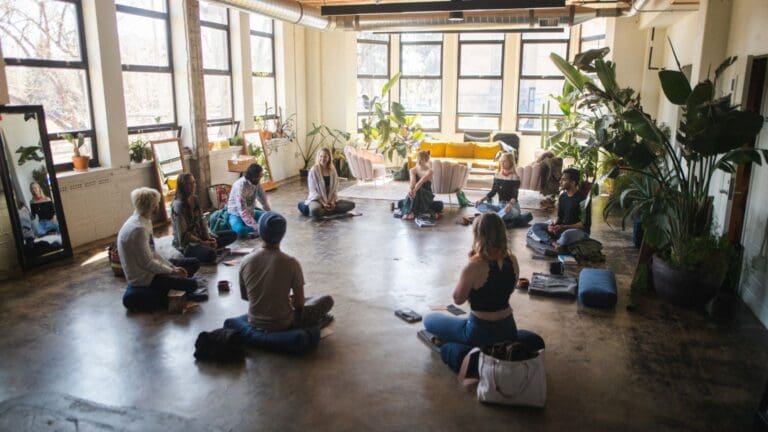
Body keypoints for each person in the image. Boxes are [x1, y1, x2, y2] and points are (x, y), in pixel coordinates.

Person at [423, 213, 543, 372]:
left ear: (479, 235)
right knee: (533, 340)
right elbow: (511, 286)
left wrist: (469, 265)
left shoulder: (474, 266)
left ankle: (465, 353)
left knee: (429, 320)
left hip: (478, 330)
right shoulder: (512, 260)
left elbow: (458, 299)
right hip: (508, 328)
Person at [239, 211, 333, 331]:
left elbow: (245, 296)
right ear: (282, 235)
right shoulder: (291, 263)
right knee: (326, 300)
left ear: (260, 232)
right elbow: (299, 306)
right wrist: (287, 301)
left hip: (254, 321)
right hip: (283, 323)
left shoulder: (246, 260)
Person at [118, 187, 205, 302]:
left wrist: (172, 267)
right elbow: (148, 263)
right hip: (144, 278)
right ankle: (179, 289)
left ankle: (179, 285)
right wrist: (172, 271)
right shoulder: (138, 230)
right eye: (157, 203)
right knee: (193, 284)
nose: (158, 206)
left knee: (193, 262)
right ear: (152, 207)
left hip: (150, 268)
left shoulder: (143, 220)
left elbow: (153, 252)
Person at [171, 173, 236, 263]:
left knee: (232, 234)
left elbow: (202, 220)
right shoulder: (178, 205)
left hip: (200, 237)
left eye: (193, 183)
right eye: (189, 184)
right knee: (211, 255)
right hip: (188, 244)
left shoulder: (195, 199)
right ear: (182, 187)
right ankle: (208, 250)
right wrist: (203, 243)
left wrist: (208, 237)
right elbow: (184, 235)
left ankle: (210, 247)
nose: (193, 186)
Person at [529, 167, 589, 250]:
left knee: (566, 235)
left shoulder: (583, 200)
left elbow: (583, 225)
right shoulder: (562, 196)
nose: (560, 182)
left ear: (573, 182)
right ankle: (554, 243)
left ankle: (553, 243)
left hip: (577, 232)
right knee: (536, 226)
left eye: (564, 180)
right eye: (561, 179)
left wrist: (563, 227)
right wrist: (553, 225)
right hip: (562, 228)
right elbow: (559, 217)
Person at [474, 152, 533, 227]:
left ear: (510, 163)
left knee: (507, 212)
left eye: (504, 161)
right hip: (500, 206)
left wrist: (509, 205)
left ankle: (492, 217)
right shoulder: (497, 175)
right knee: (478, 205)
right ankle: (497, 217)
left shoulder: (515, 177)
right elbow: (493, 192)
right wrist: (481, 200)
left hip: (512, 207)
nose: (502, 163)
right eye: (501, 161)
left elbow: (514, 196)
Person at [304, 148, 355, 219]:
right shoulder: (313, 170)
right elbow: (313, 191)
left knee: (352, 205)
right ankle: (326, 211)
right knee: (315, 211)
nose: (323, 158)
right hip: (317, 200)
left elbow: (335, 189)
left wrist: (333, 202)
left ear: (329, 158)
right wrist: (323, 203)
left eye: (325, 156)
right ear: (318, 157)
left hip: (330, 200)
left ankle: (324, 211)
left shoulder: (333, 170)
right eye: (321, 156)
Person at [227, 163, 271, 237]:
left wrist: (270, 214)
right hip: (236, 214)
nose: (260, 178)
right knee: (239, 230)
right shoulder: (240, 186)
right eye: (259, 176)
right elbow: (242, 210)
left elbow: (263, 200)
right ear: (253, 176)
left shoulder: (256, 183)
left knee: (269, 218)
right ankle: (260, 229)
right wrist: (256, 227)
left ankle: (256, 230)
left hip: (251, 212)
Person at [401, 150, 436, 220]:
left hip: (426, 195)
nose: (419, 162)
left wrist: (414, 191)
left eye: (421, 160)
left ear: (426, 160)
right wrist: (411, 190)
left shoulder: (430, 171)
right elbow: (412, 183)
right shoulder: (413, 170)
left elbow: (420, 182)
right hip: (415, 192)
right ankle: (411, 212)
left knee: (418, 190)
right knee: (411, 193)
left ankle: (410, 212)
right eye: (418, 160)